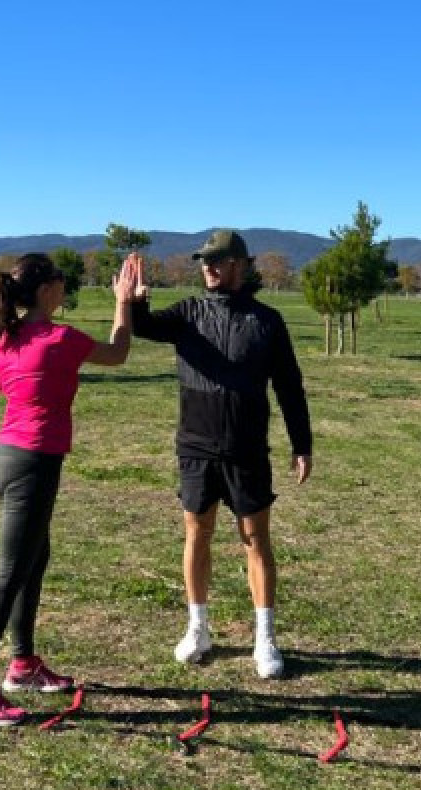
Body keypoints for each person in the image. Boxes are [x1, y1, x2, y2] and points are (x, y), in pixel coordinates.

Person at [0, 252, 139, 726]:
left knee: (35, 557)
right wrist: (124, 303)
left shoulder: (2, 337)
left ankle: (22, 664)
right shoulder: (61, 338)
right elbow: (118, 353)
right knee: (11, 570)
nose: (65, 287)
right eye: (61, 281)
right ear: (44, 291)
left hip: (7, 458)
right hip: (33, 462)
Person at [130, 230, 312, 679]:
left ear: (241, 265)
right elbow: (144, 327)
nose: (208, 267)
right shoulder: (188, 313)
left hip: (246, 447)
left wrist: (301, 443)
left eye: (218, 260)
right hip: (196, 446)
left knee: (256, 540)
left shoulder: (267, 321)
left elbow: (289, 387)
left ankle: (264, 638)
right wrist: (134, 302)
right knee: (197, 533)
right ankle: (198, 629)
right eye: (204, 261)